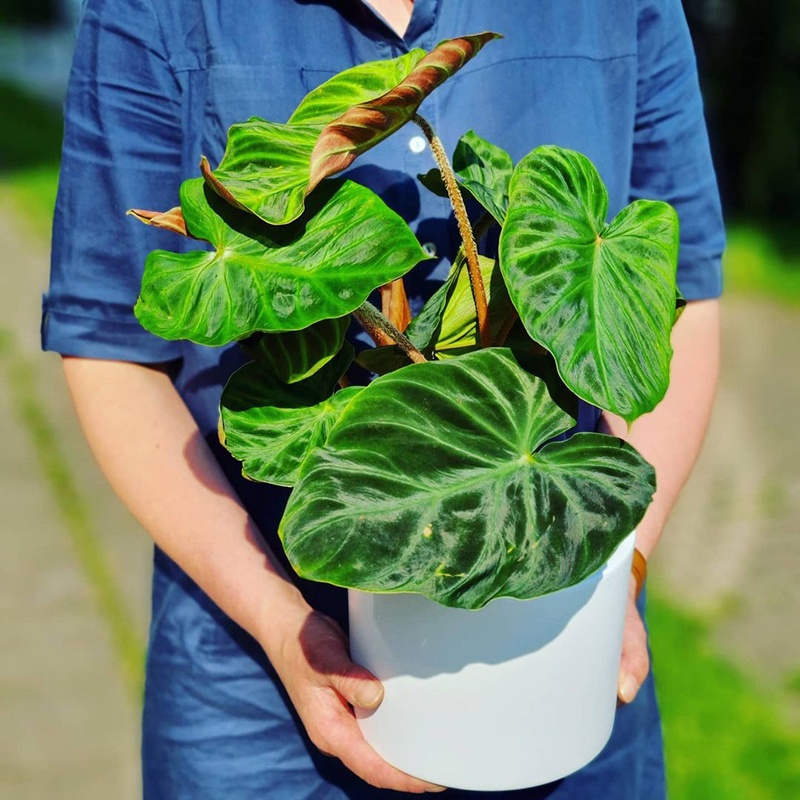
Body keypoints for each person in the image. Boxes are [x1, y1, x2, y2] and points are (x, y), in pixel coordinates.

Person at [42, 0, 723, 796]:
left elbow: (683, 295)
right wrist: (279, 620)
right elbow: (110, 344)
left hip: (563, 621)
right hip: (254, 670)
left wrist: (620, 574)